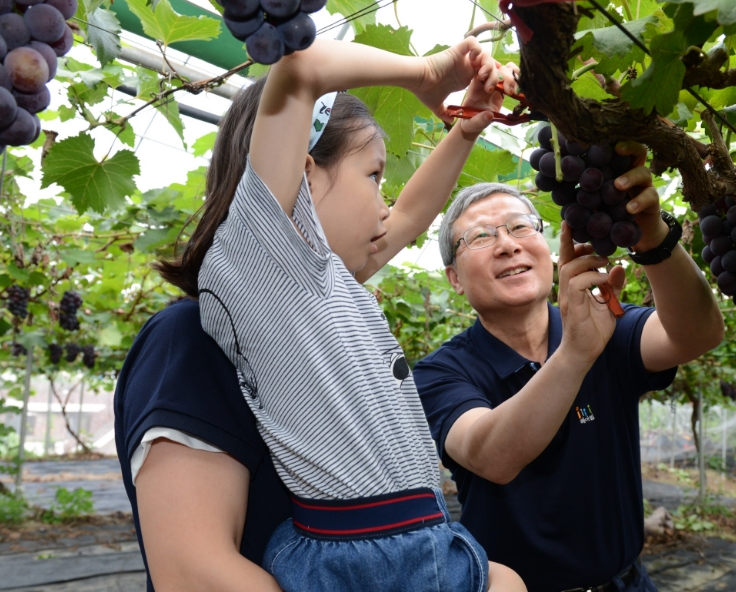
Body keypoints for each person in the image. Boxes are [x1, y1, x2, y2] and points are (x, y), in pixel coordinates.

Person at [116, 38, 526, 592]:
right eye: (375, 176)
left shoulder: (311, 305)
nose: (388, 205)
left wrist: (466, 128)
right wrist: (424, 72)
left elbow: (406, 217)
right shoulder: (212, 318)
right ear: (304, 176)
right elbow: (193, 574)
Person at [414, 168, 726, 592]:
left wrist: (653, 237)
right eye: (481, 237)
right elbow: (492, 456)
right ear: (454, 280)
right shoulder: (440, 372)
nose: (507, 245)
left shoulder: (606, 325)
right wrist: (576, 353)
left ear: (546, 248)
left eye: (520, 226)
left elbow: (699, 333)